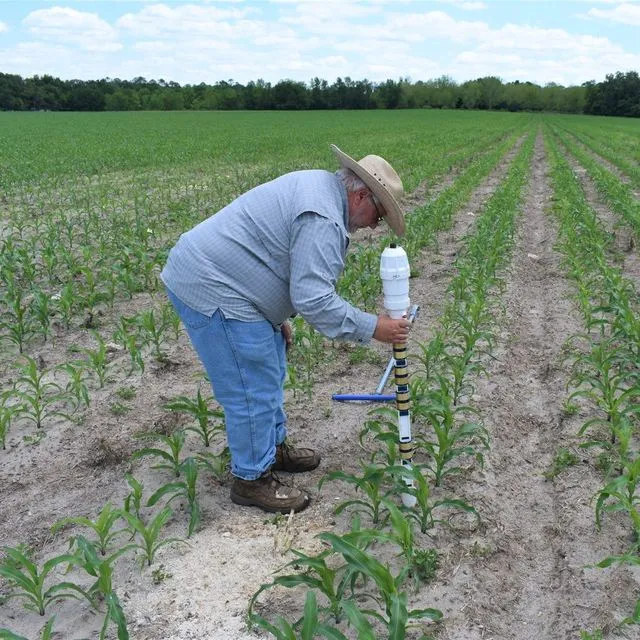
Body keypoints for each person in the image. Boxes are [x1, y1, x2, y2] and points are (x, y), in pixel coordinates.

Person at [161, 144, 411, 514]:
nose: (373, 226)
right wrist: (375, 327)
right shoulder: (323, 216)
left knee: (270, 362)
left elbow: (273, 253)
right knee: (251, 382)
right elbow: (313, 298)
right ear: (360, 195)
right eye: (378, 215)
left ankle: (271, 449)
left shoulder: (321, 191)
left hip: (235, 285)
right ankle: (251, 479)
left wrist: (276, 317)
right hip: (212, 285)